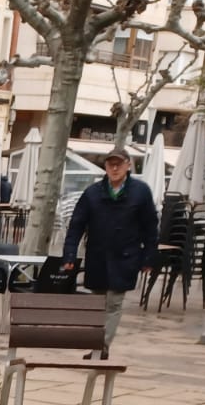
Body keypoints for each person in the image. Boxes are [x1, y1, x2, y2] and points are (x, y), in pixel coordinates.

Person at [62, 145, 158, 356]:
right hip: (98, 256)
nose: (114, 168)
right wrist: (69, 254)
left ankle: (101, 346)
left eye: (119, 164)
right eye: (110, 164)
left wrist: (149, 258)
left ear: (128, 165)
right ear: (105, 167)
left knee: (114, 302)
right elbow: (76, 225)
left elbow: (151, 227)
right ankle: (98, 343)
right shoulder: (92, 193)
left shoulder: (140, 192)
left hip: (125, 258)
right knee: (98, 302)